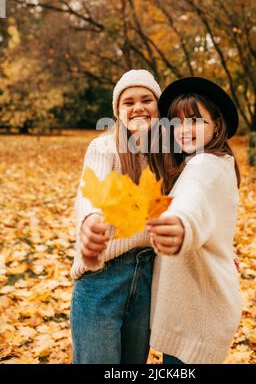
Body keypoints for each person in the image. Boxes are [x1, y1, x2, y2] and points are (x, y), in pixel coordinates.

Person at [147, 76, 243, 364]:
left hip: (195, 323)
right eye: (176, 122)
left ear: (216, 124)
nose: (184, 130)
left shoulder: (203, 165)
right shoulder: (217, 161)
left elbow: (192, 203)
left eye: (195, 121)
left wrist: (179, 225)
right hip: (199, 313)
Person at [70, 69, 161, 364]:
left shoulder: (168, 156)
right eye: (128, 102)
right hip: (102, 278)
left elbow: (192, 201)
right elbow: (91, 192)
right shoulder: (104, 147)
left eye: (146, 99)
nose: (138, 107)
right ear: (118, 111)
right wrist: (90, 221)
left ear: (159, 106)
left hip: (146, 277)